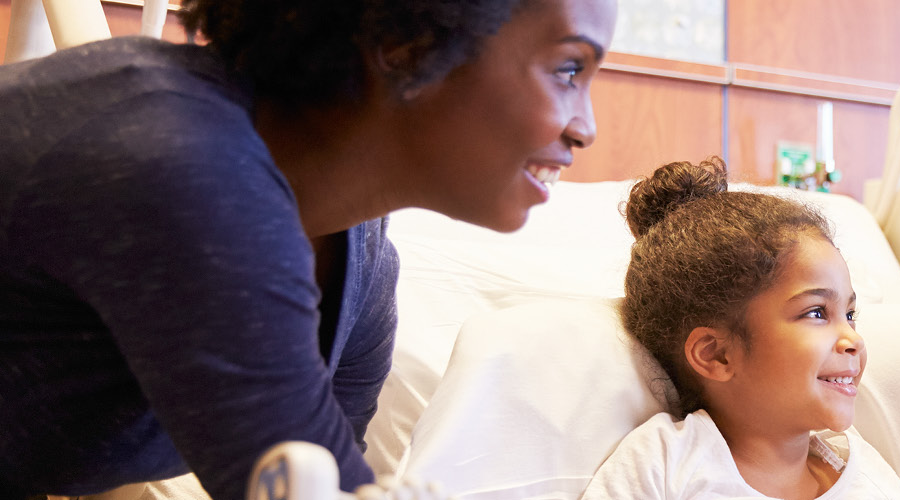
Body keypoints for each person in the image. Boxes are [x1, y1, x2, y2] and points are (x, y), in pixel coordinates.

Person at [0, 0, 615, 497]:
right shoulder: (181, 162)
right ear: (409, 45)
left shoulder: (362, 275)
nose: (585, 127)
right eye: (568, 70)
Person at [586, 159, 900, 499]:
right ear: (717, 354)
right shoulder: (665, 465)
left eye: (850, 313)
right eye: (816, 313)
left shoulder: (868, 479)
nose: (852, 339)